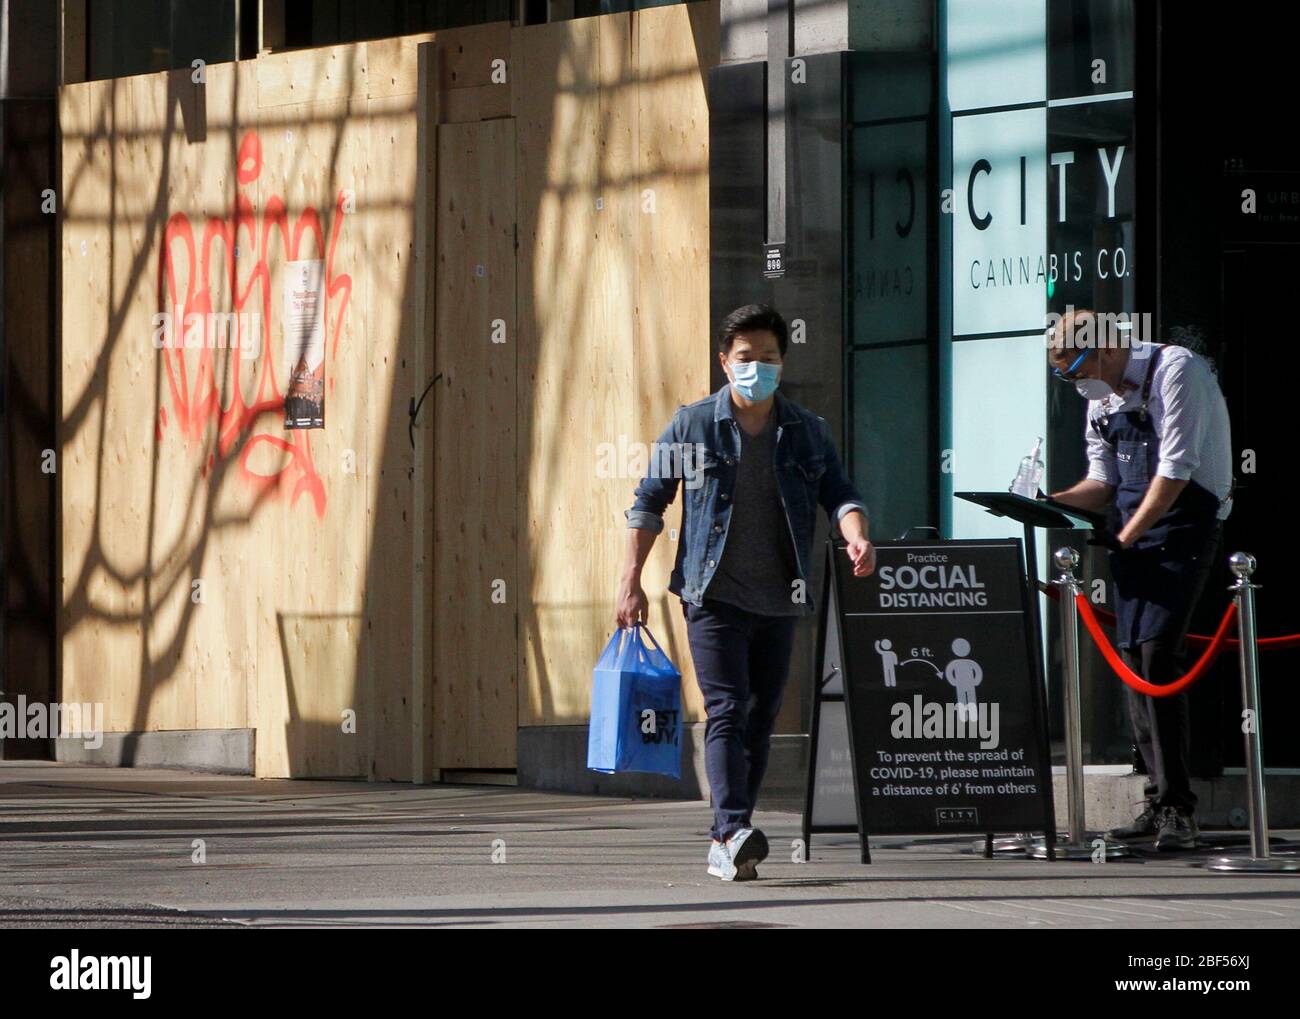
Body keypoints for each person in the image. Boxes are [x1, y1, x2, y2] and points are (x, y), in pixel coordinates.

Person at [616, 303, 875, 881]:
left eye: (769, 358)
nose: (757, 367)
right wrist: (629, 582)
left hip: (781, 598)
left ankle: (731, 834)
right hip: (713, 596)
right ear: (724, 362)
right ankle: (730, 829)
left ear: (784, 362)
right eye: (745, 358)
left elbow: (840, 492)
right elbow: (649, 501)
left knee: (759, 719)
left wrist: (857, 537)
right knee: (727, 708)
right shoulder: (694, 425)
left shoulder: (806, 430)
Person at [1046, 308, 1233, 851]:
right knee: (1132, 660)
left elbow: (1177, 468)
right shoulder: (1104, 400)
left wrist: (1128, 535)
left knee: (1157, 656)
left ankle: (1180, 808)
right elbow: (1101, 481)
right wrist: (1043, 504)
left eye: (1075, 370)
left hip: (1182, 528)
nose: (1076, 383)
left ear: (1102, 350)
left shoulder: (1177, 370)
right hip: (1131, 529)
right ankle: (1156, 799)